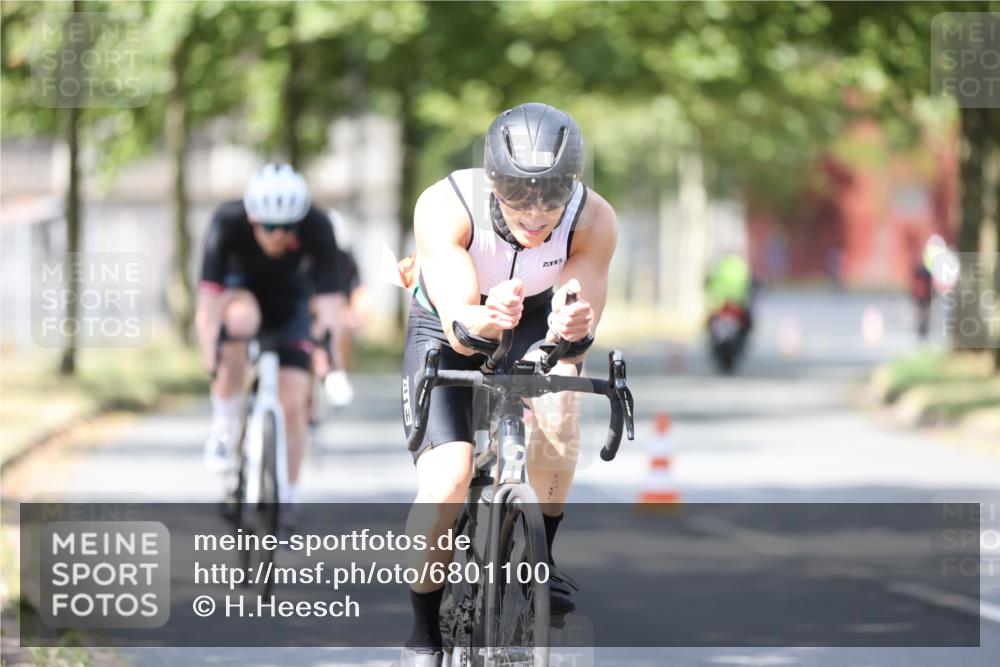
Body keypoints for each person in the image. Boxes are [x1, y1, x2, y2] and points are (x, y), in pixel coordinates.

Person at [395, 103, 618, 665]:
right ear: (492, 181)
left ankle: (539, 555)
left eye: (552, 195)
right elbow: (459, 321)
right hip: (451, 322)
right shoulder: (447, 204)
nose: (537, 213)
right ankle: (423, 630)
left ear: (573, 185)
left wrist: (573, 328)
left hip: (534, 319)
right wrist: (477, 321)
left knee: (562, 407)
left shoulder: (593, 219)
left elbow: (576, 313)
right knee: (449, 479)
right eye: (519, 194)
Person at [195, 163, 347, 509]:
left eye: (287, 227)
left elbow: (329, 304)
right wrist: (210, 354)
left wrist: (329, 349)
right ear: (252, 218)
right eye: (269, 226)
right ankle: (223, 427)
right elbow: (207, 301)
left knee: (292, 404)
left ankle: (288, 500)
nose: (278, 235)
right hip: (241, 296)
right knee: (240, 321)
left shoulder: (318, 225)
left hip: (289, 303)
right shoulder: (227, 222)